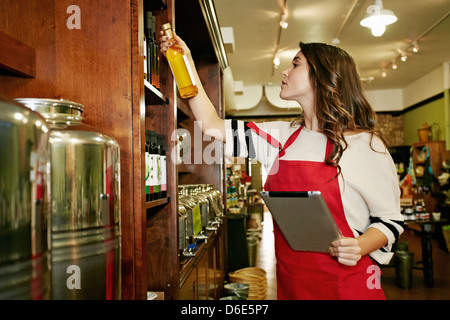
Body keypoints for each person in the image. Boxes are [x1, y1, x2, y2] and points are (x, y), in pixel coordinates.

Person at [159, 32, 404, 300]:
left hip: (348, 284)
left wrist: (359, 245)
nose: (285, 71)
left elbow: (389, 220)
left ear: (321, 76)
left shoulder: (364, 145)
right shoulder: (279, 137)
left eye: (296, 64)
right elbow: (211, 124)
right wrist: (184, 61)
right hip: (292, 283)